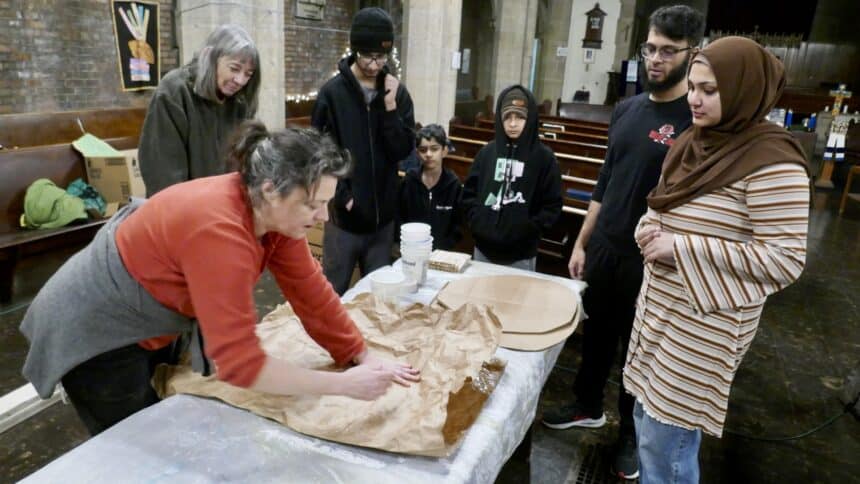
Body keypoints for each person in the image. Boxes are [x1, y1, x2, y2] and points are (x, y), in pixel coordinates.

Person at [20, 122, 420, 436]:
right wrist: (345, 386)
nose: (323, 218)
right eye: (313, 205)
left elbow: (310, 292)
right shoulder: (220, 231)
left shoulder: (275, 218)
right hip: (95, 326)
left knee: (166, 408)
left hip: (150, 309)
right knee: (138, 443)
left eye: (326, 204)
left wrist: (360, 354)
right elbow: (240, 366)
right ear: (271, 189)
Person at [626, 36, 810, 483]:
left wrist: (680, 246)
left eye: (710, 89)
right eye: (692, 87)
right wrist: (648, 230)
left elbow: (786, 259)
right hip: (659, 311)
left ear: (744, 89)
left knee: (666, 444)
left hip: (704, 328)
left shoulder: (772, 162)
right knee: (645, 422)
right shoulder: (694, 142)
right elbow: (659, 206)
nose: (694, 98)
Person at [541, 5, 705, 480]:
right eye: (650, 48)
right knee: (596, 336)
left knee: (636, 351)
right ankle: (586, 405)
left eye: (668, 51)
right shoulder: (629, 108)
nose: (655, 59)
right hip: (607, 247)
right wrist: (582, 242)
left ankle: (630, 438)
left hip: (650, 260)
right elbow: (605, 181)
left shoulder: (694, 122)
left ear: (691, 55)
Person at [311, 7, 416, 295]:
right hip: (344, 221)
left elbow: (402, 150)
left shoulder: (398, 92)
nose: (375, 64)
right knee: (333, 294)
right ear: (355, 50)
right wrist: (343, 198)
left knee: (378, 298)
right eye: (368, 55)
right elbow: (320, 153)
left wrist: (390, 107)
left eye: (381, 57)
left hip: (382, 224)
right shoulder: (332, 94)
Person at [139, 24, 260, 196]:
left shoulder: (240, 101)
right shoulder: (174, 91)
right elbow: (163, 172)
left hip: (222, 205)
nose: (240, 80)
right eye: (234, 68)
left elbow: (243, 162)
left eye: (248, 74)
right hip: (183, 208)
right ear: (210, 58)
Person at [461, 85, 562, 271]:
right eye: (507, 117)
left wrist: (528, 229)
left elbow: (552, 206)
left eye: (520, 117)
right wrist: (478, 223)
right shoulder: (487, 153)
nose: (513, 124)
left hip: (521, 255)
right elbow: (469, 194)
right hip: (483, 251)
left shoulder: (544, 158)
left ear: (530, 118)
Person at [397, 124, 462, 251]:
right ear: (417, 153)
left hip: (442, 253)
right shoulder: (409, 181)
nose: (428, 154)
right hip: (411, 250)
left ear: (444, 151)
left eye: (434, 149)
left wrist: (444, 247)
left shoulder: (453, 184)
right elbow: (399, 215)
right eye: (423, 150)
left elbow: (458, 225)